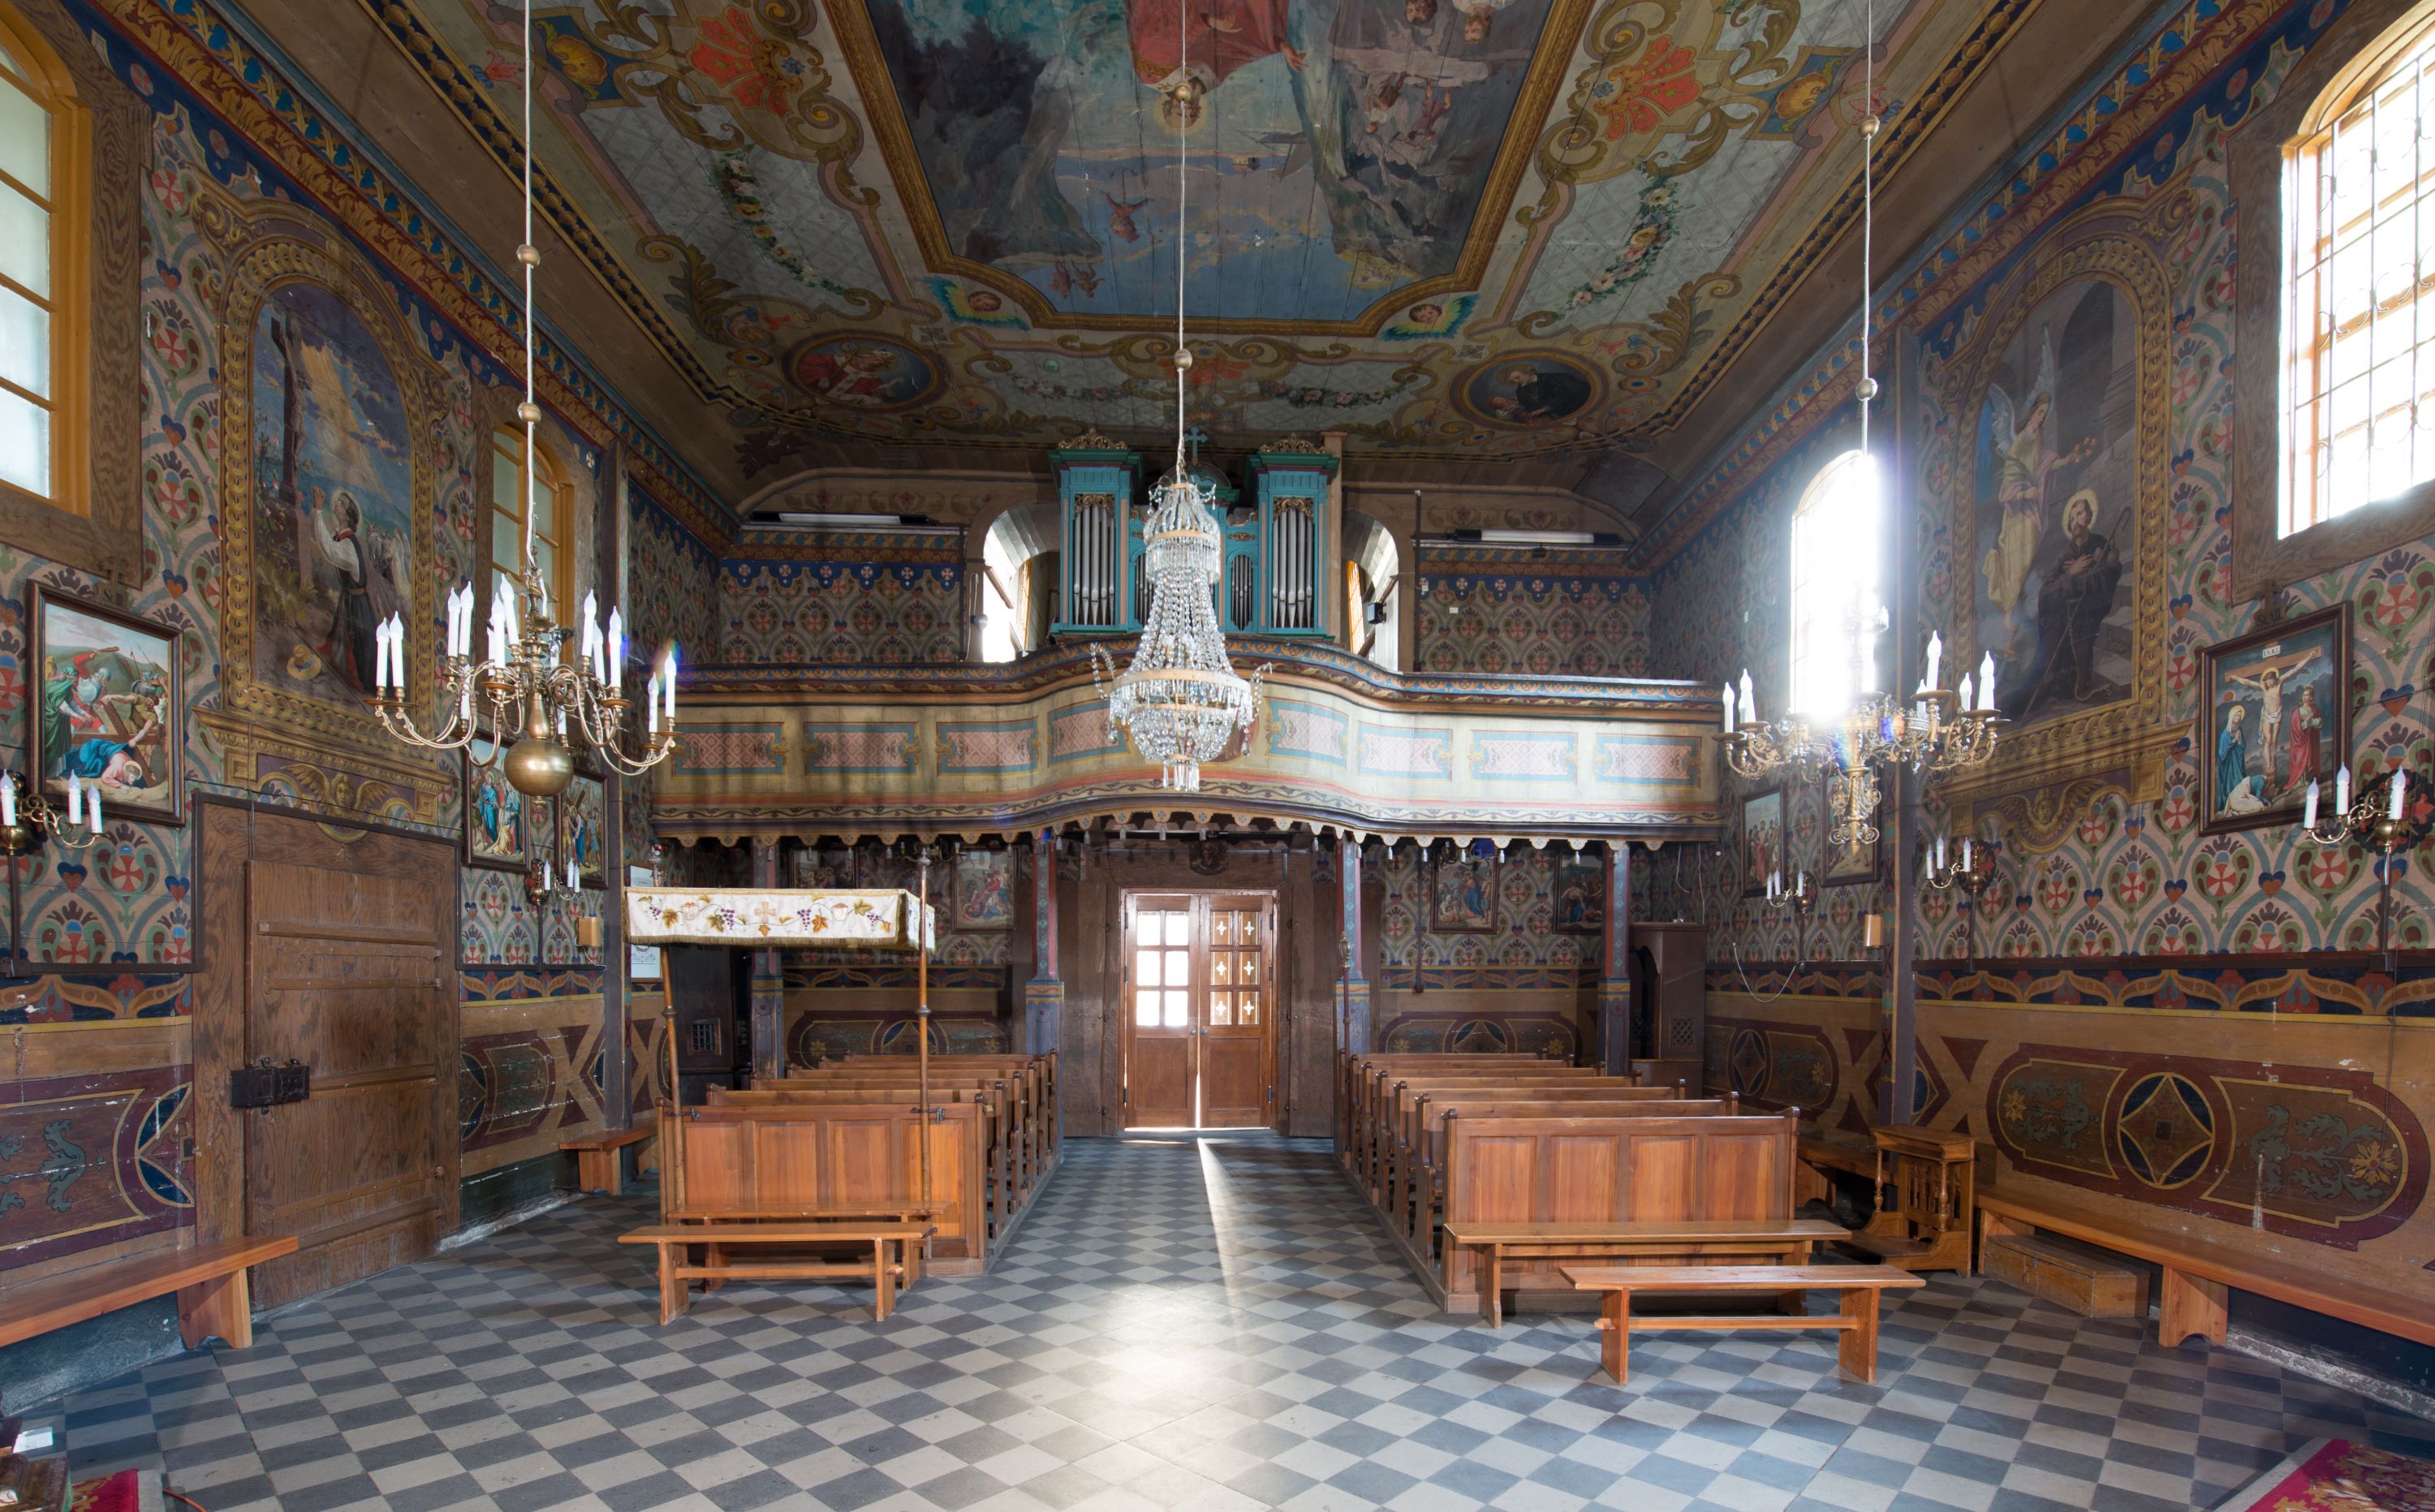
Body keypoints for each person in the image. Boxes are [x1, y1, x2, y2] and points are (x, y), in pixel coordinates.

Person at [2013, 489, 2122, 714]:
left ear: (2089, 516)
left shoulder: (2100, 545)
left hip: (2087, 612)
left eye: (2080, 514)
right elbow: (2046, 594)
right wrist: (2071, 575)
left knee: (2081, 646)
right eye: (2071, 519)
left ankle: (2078, 687)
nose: (2076, 522)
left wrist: (2106, 564)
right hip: (2061, 617)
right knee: (2048, 655)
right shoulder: (2064, 557)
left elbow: (2108, 576)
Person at [310, 489, 377, 691]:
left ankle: (360, 681)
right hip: (350, 600)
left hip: (358, 606)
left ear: (347, 515)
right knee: (342, 638)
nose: (336, 504)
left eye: (341, 503)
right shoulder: (341, 537)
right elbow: (322, 540)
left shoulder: (348, 545)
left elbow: (329, 550)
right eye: (338, 501)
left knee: (359, 650)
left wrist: (318, 510)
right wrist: (317, 512)